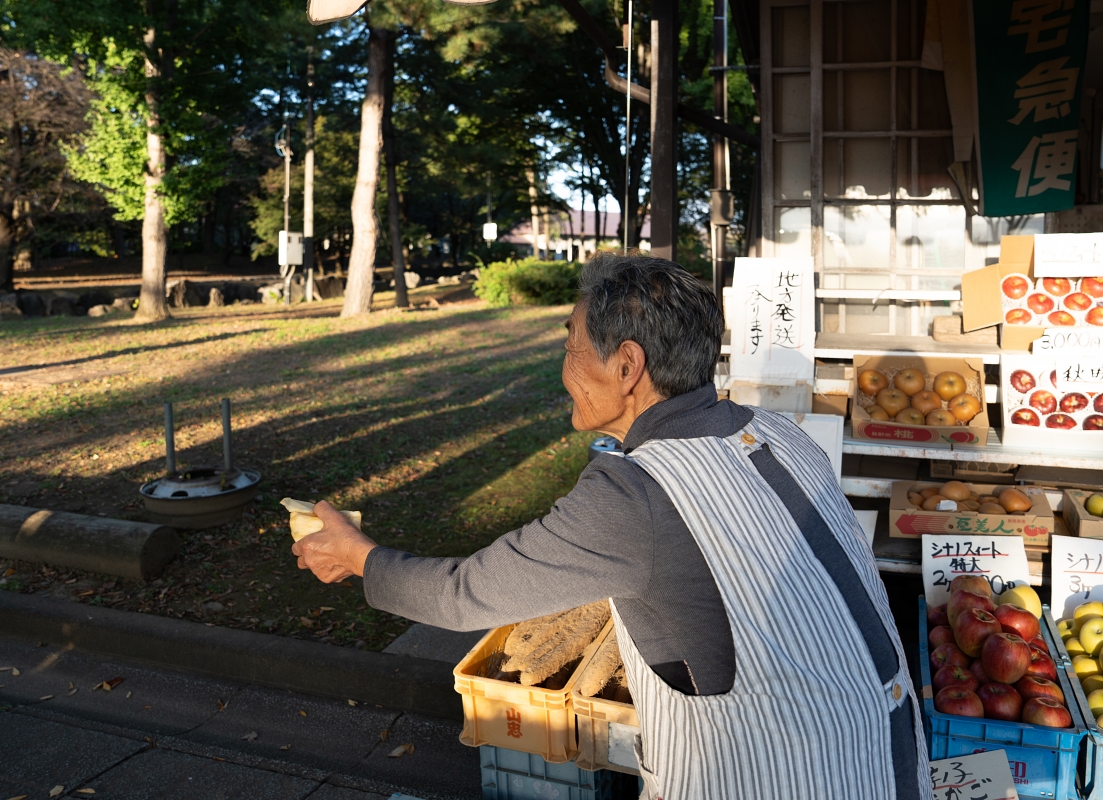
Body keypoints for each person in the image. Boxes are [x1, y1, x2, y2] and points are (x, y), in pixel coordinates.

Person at [293, 253, 928, 799]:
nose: (563, 367)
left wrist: (357, 556)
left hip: (775, 775)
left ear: (627, 366)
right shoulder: (781, 433)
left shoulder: (635, 491)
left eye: (571, 345)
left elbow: (463, 594)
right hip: (883, 754)